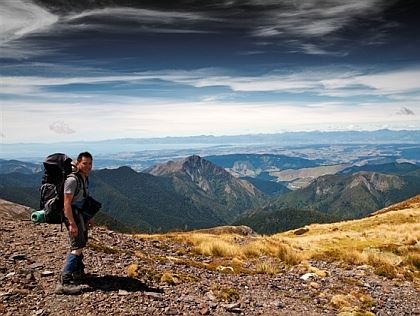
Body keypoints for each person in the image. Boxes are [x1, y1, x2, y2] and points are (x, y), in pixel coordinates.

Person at [55, 151, 94, 295]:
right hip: (73, 217)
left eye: (90, 163)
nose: (88, 166)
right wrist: (71, 223)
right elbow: (67, 204)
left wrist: (88, 217)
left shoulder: (83, 178)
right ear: (78, 163)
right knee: (76, 246)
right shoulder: (72, 180)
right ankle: (64, 281)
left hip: (80, 216)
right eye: (85, 163)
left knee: (81, 244)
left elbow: (82, 200)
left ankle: (77, 272)